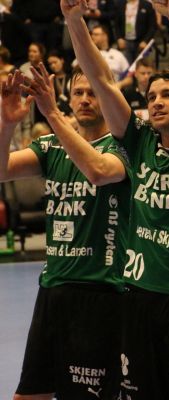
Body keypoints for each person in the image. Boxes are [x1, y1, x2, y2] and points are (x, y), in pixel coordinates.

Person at [61, 0, 169, 398]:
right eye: (152, 95)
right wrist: (74, 21)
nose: (156, 101)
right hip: (138, 296)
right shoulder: (139, 143)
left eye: (168, 94)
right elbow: (102, 81)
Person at [2, 64, 130, 399]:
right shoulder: (50, 147)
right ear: (69, 98)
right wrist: (7, 123)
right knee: (29, 396)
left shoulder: (124, 146)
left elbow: (98, 171)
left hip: (100, 292)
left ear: (108, 97)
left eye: (93, 93)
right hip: (53, 288)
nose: (85, 99)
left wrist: (53, 114)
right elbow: (2, 170)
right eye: (78, 93)